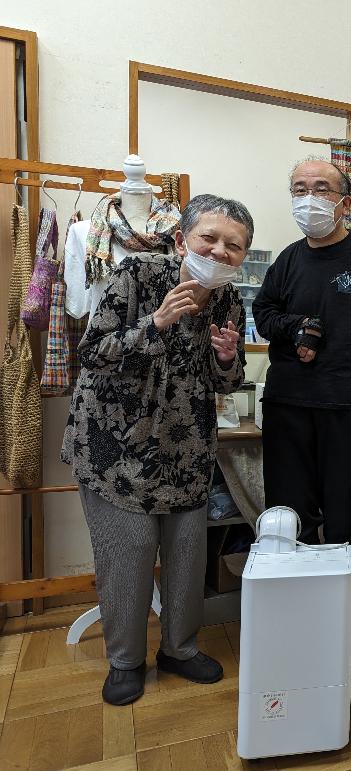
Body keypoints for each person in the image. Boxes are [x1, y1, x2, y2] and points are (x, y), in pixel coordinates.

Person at [62, 194, 253, 706]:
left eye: (233, 246)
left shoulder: (229, 301)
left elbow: (226, 382)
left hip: (186, 449)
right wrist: (157, 322)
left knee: (188, 557)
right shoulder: (138, 276)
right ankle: (125, 661)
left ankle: (179, 649)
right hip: (115, 449)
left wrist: (228, 359)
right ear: (182, 240)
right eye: (208, 238)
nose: (219, 252)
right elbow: (93, 354)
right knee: (129, 555)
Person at [253, 157, 351, 654]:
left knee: (343, 516)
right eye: (299, 188)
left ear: (344, 202)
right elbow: (263, 312)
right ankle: (295, 608)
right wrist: (295, 326)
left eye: (321, 188)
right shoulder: (288, 260)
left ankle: (340, 613)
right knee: (288, 513)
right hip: (288, 406)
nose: (309, 198)